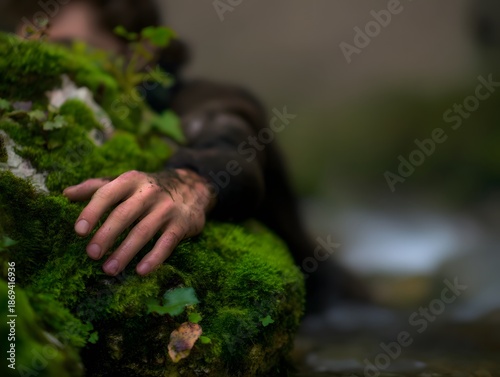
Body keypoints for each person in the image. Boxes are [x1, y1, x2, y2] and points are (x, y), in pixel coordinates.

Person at [6, 0, 368, 311]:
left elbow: (229, 142)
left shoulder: (202, 100)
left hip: (337, 311)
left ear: (139, 54)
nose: (44, 67)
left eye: (68, 50)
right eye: (29, 51)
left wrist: (185, 184)